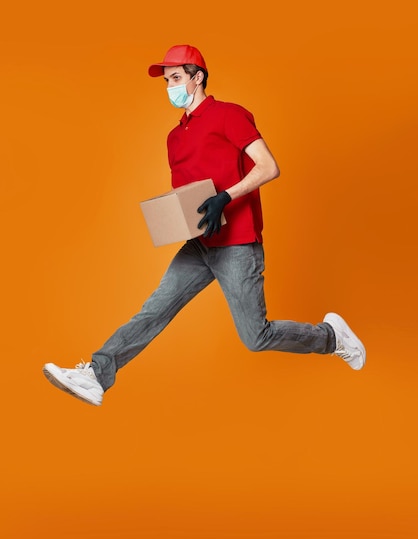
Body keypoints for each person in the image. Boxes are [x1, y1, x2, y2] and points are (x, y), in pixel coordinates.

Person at [43, 44, 366, 407]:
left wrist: (225, 197)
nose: (171, 87)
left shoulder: (229, 115)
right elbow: (187, 196)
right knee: (154, 310)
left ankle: (331, 337)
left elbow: (268, 167)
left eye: (177, 78)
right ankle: (97, 375)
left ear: (198, 78)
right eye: (167, 81)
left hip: (237, 244)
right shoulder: (175, 136)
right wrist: (171, 221)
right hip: (199, 245)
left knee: (255, 337)